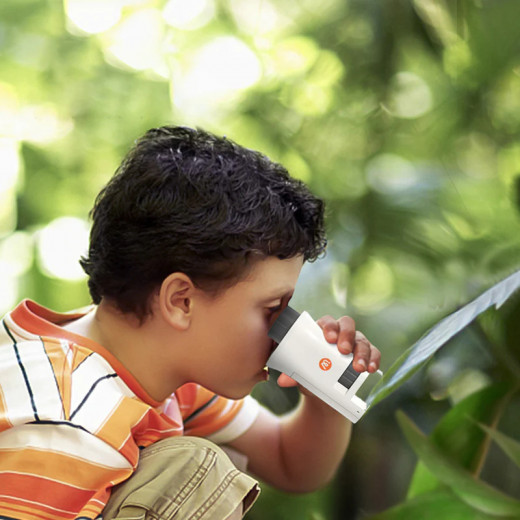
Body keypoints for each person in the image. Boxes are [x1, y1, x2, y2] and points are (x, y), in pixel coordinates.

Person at [0, 126, 381, 519]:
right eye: (271, 308)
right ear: (181, 301)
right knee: (198, 467)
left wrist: (325, 396)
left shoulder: (155, 371)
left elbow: (291, 465)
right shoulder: (64, 427)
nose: (283, 330)